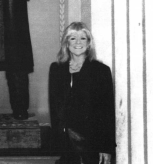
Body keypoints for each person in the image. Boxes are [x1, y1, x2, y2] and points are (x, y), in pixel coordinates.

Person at [49, 22, 116, 164]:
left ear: (89, 43)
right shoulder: (56, 69)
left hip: (92, 142)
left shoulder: (101, 71)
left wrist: (106, 147)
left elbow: (107, 112)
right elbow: (54, 109)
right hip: (65, 143)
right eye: (73, 38)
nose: (78, 42)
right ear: (66, 43)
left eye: (83, 38)